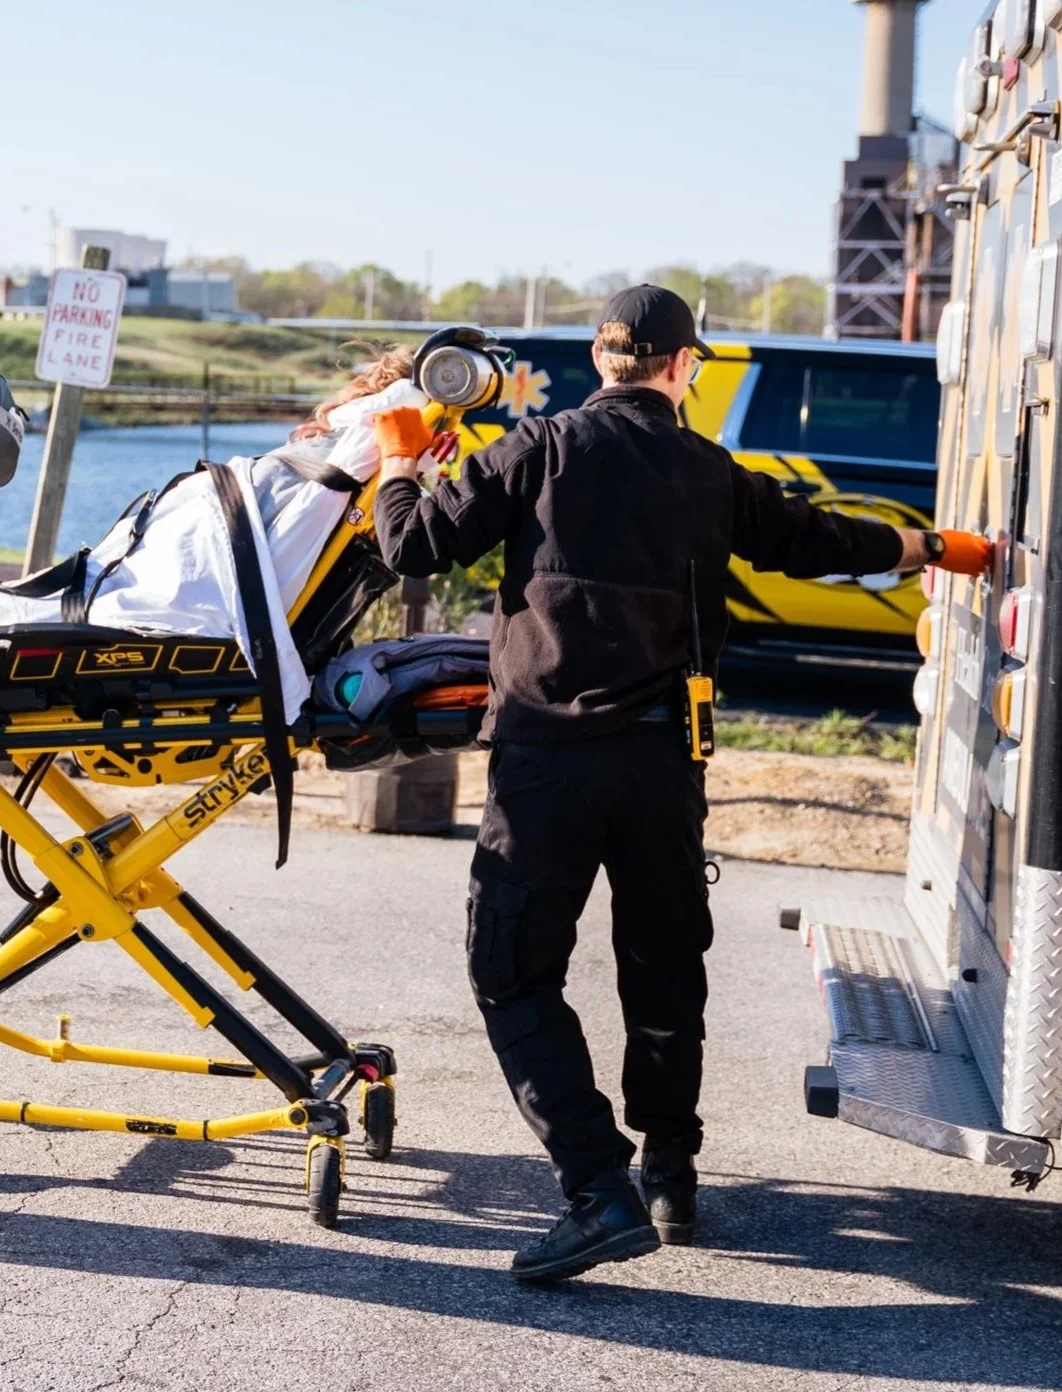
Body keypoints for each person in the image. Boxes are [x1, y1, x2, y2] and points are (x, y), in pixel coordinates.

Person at [368, 286, 990, 1283]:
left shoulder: (536, 448)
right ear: (681, 366)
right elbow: (819, 541)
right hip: (664, 764)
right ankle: (669, 1174)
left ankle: (595, 1187)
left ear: (602, 357)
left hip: (546, 767)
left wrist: (401, 456)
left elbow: (410, 544)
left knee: (515, 974)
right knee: (664, 970)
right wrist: (932, 548)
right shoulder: (711, 470)